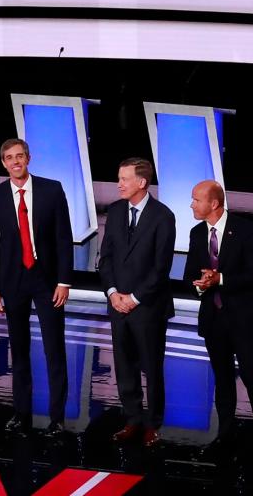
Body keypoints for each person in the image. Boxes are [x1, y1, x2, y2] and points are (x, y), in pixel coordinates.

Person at [0, 137, 73, 437]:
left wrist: (63, 281)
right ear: (4, 163)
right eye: (9, 157)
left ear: (29, 158)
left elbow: (63, 238)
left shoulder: (52, 189)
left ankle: (57, 418)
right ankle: (21, 414)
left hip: (47, 281)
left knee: (54, 349)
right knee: (18, 350)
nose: (15, 161)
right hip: (12, 281)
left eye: (20, 156)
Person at [183, 179, 253, 462]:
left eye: (196, 200)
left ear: (214, 203)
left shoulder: (247, 231)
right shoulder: (197, 233)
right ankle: (225, 435)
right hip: (214, 318)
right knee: (222, 379)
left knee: (250, 374)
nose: (191, 205)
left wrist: (219, 279)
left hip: (244, 318)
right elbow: (189, 275)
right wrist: (200, 284)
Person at [97, 157, 175, 447]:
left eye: (124, 178)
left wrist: (135, 297)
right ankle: (132, 419)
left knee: (151, 367)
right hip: (118, 304)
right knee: (124, 365)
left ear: (142, 182)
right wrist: (113, 293)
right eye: (119, 177)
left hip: (148, 307)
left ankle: (153, 424)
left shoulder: (163, 216)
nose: (119, 183)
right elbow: (105, 258)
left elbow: (161, 267)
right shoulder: (116, 211)